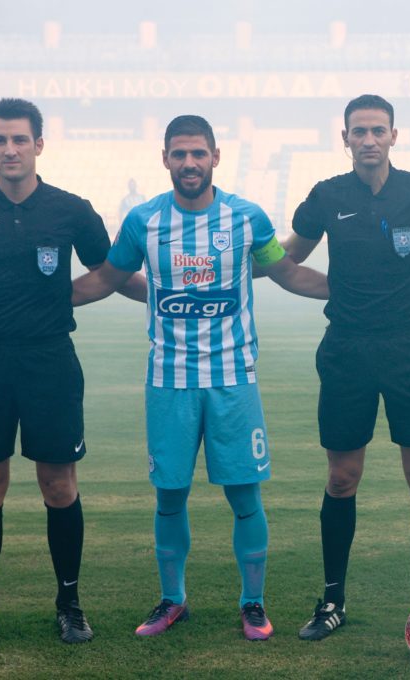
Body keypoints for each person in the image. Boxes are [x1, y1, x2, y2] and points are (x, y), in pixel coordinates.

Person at [71, 114, 329, 641]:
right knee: (169, 496)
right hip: (169, 380)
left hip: (234, 379)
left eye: (198, 153)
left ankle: (252, 604)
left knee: (244, 496)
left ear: (215, 157)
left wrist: (355, 290)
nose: (189, 163)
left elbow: (287, 272)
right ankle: (173, 600)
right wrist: (41, 297)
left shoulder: (247, 218)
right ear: (165, 159)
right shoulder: (143, 221)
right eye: (179, 154)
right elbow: (107, 278)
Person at [0, 98, 144, 646]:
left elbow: (109, 272)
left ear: (39, 144)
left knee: (58, 485)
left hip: (49, 362)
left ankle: (69, 605)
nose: (9, 149)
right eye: (0, 140)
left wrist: (167, 296)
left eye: (19, 139)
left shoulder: (71, 209)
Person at [285, 94, 410, 641]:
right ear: (345, 138)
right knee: (342, 478)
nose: (368, 140)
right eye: (358, 131)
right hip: (348, 350)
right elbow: (285, 264)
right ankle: (332, 600)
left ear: (393, 136)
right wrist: (339, 289)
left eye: (377, 130)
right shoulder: (326, 196)